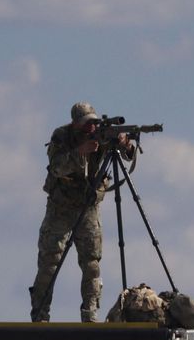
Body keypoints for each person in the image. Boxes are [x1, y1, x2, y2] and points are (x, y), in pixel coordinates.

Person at [29, 102, 135, 322]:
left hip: (88, 207)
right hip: (61, 207)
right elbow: (56, 168)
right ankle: (40, 313)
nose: (91, 128)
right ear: (75, 123)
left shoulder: (101, 136)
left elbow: (128, 156)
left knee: (91, 263)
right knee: (50, 261)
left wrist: (126, 144)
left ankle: (90, 312)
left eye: (93, 123)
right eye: (86, 123)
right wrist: (80, 152)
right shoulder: (61, 136)